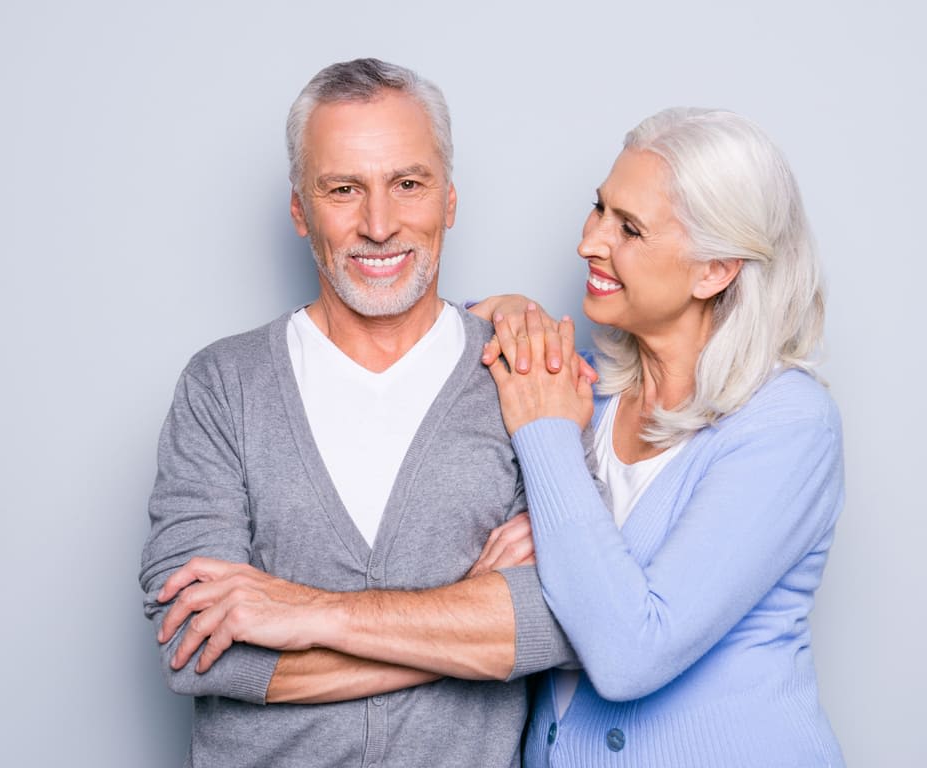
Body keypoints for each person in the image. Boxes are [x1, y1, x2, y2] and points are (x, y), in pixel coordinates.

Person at [139, 58, 595, 768]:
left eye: (407, 184)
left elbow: (562, 622)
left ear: (448, 199)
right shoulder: (223, 385)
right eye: (343, 189)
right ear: (300, 210)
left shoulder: (522, 377)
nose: (379, 225)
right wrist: (469, 613)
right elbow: (199, 652)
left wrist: (299, 612)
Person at [481, 108, 845, 766]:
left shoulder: (789, 425)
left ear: (714, 271)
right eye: (599, 209)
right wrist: (514, 315)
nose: (590, 242)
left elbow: (629, 654)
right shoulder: (585, 387)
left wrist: (543, 433)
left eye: (630, 228)